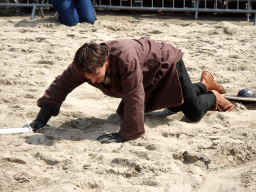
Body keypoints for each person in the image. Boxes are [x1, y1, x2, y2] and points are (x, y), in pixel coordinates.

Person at [30, 37, 235, 144]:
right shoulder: (84, 65)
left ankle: (212, 94)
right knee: (126, 114)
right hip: (145, 76)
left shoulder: (125, 57)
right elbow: (60, 86)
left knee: (193, 112)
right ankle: (205, 83)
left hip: (166, 64)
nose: (92, 79)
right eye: (88, 77)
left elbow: (135, 94)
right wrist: (41, 119)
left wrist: (127, 134)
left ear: (106, 60)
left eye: (96, 74)